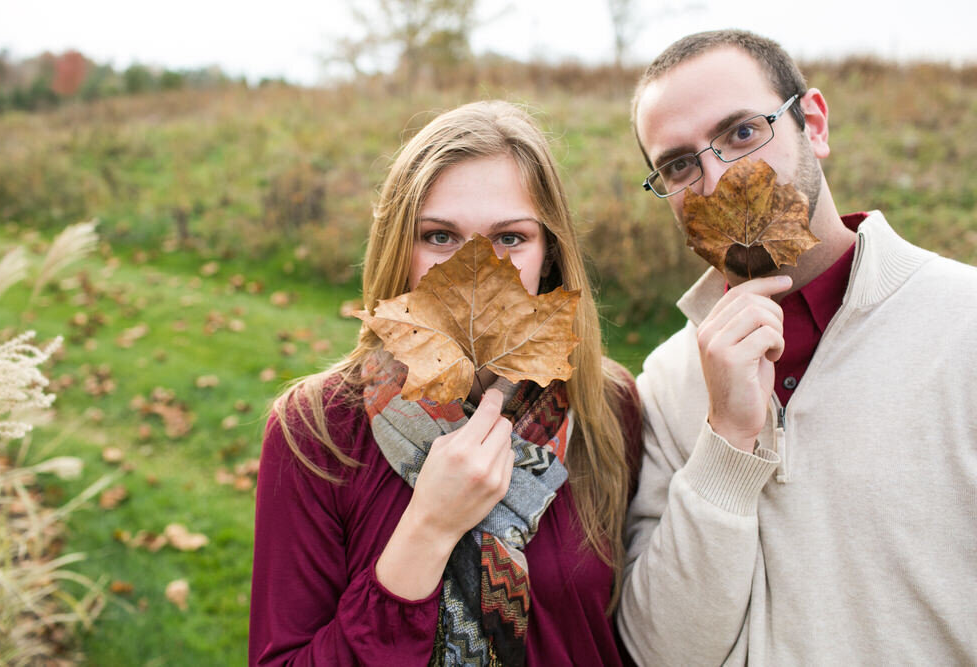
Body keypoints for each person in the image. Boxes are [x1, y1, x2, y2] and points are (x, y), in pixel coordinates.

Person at [617, 29, 977, 665]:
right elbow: (659, 653)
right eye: (678, 164)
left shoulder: (963, 325)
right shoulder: (667, 383)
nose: (717, 178)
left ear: (813, 124)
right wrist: (725, 442)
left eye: (742, 133)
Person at [249, 100, 643, 666]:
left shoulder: (609, 405)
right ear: (398, 248)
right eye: (439, 237)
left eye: (509, 238)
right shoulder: (316, 430)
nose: (475, 271)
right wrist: (429, 527)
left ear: (550, 255)